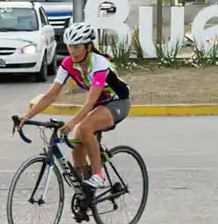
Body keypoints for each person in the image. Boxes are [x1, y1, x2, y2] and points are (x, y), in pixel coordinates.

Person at [14, 22, 131, 191]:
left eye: (77, 47)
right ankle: (86, 191)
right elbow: (51, 95)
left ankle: (98, 175)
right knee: (76, 144)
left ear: (88, 46)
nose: (72, 51)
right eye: (70, 46)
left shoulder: (99, 64)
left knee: (84, 127)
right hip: (98, 105)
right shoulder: (68, 64)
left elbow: (90, 102)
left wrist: (72, 123)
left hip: (117, 102)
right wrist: (27, 116)